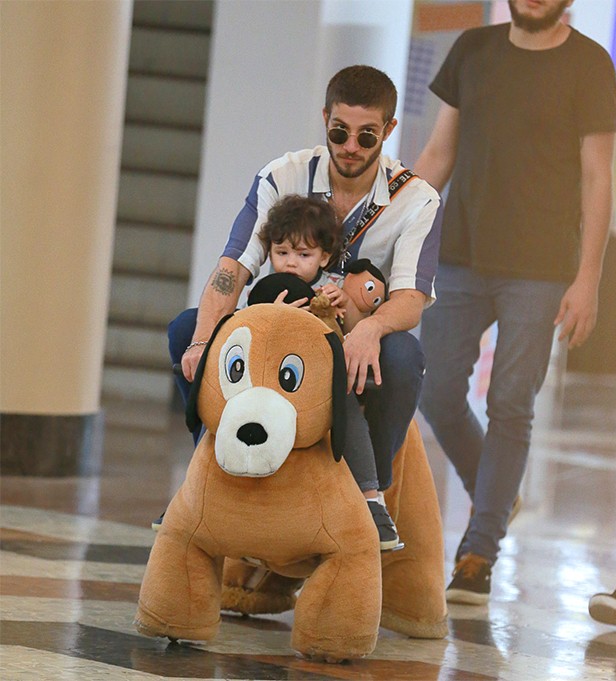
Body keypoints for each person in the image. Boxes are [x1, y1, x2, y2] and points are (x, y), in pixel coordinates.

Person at [168, 64, 442, 518]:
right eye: (340, 132)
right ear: (325, 120)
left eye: (367, 136)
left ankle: (368, 498)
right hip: (278, 326)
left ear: (389, 130)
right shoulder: (284, 175)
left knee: (403, 357)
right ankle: (211, 476)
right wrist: (202, 338)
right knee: (185, 331)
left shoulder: (417, 200)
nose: (350, 147)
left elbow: (411, 298)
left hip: (349, 335)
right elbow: (232, 268)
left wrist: (370, 329)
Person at [414, 0, 616, 605]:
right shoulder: (471, 52)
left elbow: (597, 177)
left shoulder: (591, 64)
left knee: (510, 402)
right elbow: (436, 156)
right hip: (460, 253)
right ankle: (495, 490)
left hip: (542, 268)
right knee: (436, 388)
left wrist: (588, 280)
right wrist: (393, 238)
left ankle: (479, 550)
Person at [253, 194, 400, 550]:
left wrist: (344, 306)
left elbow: (353, 331)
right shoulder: (267, 289)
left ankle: (370, 497)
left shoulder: (333, 286)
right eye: (282, 253)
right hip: (274, 384)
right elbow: (250, 333)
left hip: (321, 382)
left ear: (324, 257)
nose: (290, 263)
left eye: (303, 256)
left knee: (345, 400)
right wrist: (268, 315)